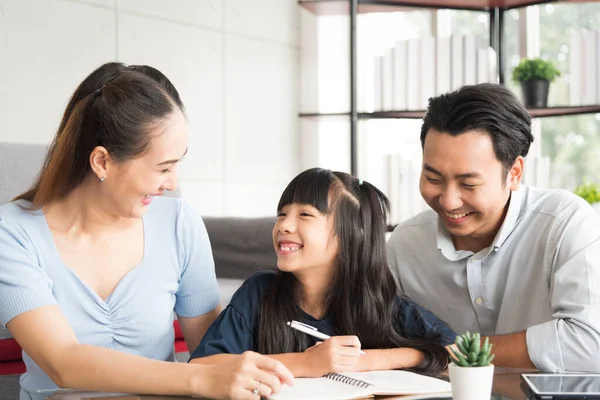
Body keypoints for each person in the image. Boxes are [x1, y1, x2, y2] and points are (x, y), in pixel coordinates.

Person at [0, 62, 293, 400]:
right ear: (102, 162)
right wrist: (198, 379)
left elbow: (210, 352)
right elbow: (62, 361)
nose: (173, 184)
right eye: (163, 168)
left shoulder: (179, 223)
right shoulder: (13, 233)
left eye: (177, 164)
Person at [386, 83, 600, 373]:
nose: (448, 201)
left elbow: (590, 344)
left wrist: (446, 353)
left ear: (514, 173)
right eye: (433, 179)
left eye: (468, 184)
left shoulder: (564, 224)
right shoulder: (405, 244)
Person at [188, 168, 454, 377]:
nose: (284, 225)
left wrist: (366, 360)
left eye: (304, 214)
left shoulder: (378, 303)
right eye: (282, 214)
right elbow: (203, 366)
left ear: (351, 235)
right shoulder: (260, 292)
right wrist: (305, 363)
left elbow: (457, 354)